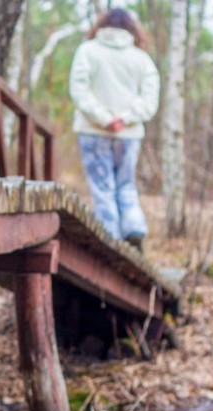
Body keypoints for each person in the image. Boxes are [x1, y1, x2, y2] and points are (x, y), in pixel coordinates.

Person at [69, 8, 160, 252]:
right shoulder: (141, 58)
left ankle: (110, 242)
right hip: (128, 134)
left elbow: (80, 91)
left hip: (93, 131)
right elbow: (149, 100)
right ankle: (133, 228)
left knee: (103, 189)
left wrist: (104, 118)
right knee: (125, 184)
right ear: (131, 28)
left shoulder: (87, 51)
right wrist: (125, 119)